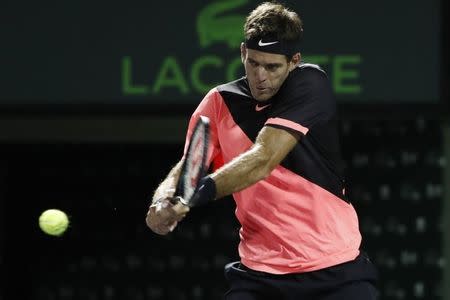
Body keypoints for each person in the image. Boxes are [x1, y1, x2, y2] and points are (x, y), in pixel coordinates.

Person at [146, 1, 378, 299]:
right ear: (243, 51)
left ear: (294, 61)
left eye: (272, 66)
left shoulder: (310, 84)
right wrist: (163, 201)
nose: (261, 76)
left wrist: (194, 197)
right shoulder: (218, 102)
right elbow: (188, 164)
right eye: (253, 62)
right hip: (259, 276)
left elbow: (263, 159)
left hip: (335, 270)